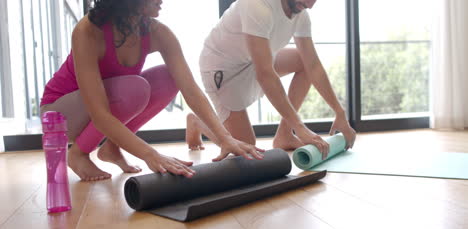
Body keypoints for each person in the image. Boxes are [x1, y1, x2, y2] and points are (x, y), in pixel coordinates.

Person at [40, 0, 264, 181]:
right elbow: (99, 114)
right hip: (60, 115)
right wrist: (151, 154)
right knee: (134, 89)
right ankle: (78, 154)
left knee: (168, 77)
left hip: (108, 106)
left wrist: (225, 138)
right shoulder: (88, 31)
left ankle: (112, 147)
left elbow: (190, 89)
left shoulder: (158, 32)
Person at [186, 0, 356, 158]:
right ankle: (199, 122)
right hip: (223, 71)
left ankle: (285, 135)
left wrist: (339, 113)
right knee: (246, 149)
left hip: (255, 61)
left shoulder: (300, 13)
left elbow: (313, 66)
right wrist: (300, 127)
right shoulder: (257, 5)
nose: (310, 5)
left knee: (303, 62)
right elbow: (265, 75)